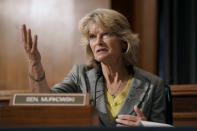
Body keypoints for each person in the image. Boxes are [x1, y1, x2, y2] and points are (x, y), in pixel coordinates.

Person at [21, 8, 166, 126]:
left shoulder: (153, 85)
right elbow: (45, 102)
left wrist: (147, 127)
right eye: (92, 37)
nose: (98, 42)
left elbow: (162, 127)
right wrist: (35, 64)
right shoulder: (80, 75)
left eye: (106, 34)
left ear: (123, 42)